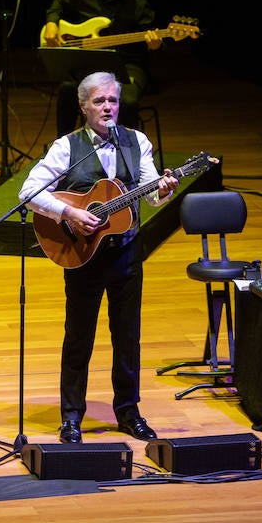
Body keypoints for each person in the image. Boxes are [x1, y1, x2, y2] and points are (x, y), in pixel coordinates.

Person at [19, 71, 178, 444]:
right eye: (99, 102)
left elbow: (151, 195)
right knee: (79, 337)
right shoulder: (66, 147)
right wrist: (69, 213)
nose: (108, 108)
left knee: (127, 337)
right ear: (83, 106)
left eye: (113, 101)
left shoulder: (136, 142)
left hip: (125, 254)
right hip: (82, 255)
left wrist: (165, 190)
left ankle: (129, 412)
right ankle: (71, 417)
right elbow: (28, 192)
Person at [42, 0, 162, 137]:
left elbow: (154, 40)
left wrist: (155, 44)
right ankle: (63, 149)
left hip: (128, 66)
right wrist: (52, 23)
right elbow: (56, 5)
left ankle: (126, 153)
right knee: (67, 89)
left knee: (127, 101)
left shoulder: (137, 3)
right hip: (90, 64)